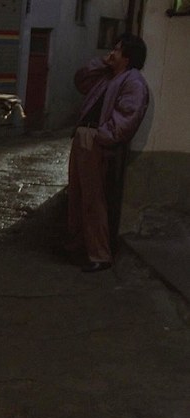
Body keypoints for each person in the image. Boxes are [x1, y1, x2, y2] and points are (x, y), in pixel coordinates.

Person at [66, 33, 149, 273]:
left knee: (94, 199)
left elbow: (127, 118)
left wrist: (101, 136)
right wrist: (102, 63)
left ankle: (100, 254)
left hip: (96, 141)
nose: (112, 52)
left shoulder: (133, 82)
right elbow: (81, 80)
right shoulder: (108, 76)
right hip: (85, 137)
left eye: (117, 49)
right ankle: (78, 246)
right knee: (77, 196)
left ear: (128, 56)